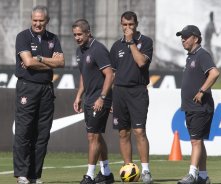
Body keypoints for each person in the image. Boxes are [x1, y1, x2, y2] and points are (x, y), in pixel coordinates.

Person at [13, 5, 65, 184]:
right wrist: (49, 63)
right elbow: (27, 61)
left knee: (42, 133)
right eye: (35, 20)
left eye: (41, 20)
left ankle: (34, 175)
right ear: (31, 20)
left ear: (47, 21)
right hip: (28, 86)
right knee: (24, 131)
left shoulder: (53, 38)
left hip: (46, 88)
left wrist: (41, 59)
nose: (37, 23)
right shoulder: (23, 36)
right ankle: (22, 174)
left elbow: (61, 62)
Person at [109, 11, 153, 184]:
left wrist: (131, 42)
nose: (127, 28)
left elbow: (141, 62)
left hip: (138, 91)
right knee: (123, 133)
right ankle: (128, 169)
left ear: (136, 24)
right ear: (121, 25)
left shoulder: (146, 41)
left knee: (139, 131)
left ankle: (146, 171)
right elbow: (111, 74)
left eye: (131, 25)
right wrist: (109, 97)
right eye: (124, 25)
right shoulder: (115, 46)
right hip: (119, 92)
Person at [72, 19, 115, 184]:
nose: (77, 38)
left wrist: (102, 98)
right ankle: (106, 173)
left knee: (93, 136)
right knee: (96, 136)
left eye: (80, 34)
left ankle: (89, 175)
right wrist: (78, 96)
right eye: (75, 35)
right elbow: (83, 75)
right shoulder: (79, 51)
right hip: (89, 98)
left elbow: (110, 75)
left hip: (100, 99)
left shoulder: (98, 49)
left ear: (88, 33)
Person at [176, 25, 220, 184]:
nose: (183, 39)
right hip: (191, 107)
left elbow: (214, 72)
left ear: (196, 38)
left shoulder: (202, 55)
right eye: (182, 36)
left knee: (195, 141)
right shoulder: (191, 56)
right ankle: (203, 176)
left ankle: (192, 174)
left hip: (200, 107)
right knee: (198, 141)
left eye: (186, 36)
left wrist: (202, 91)